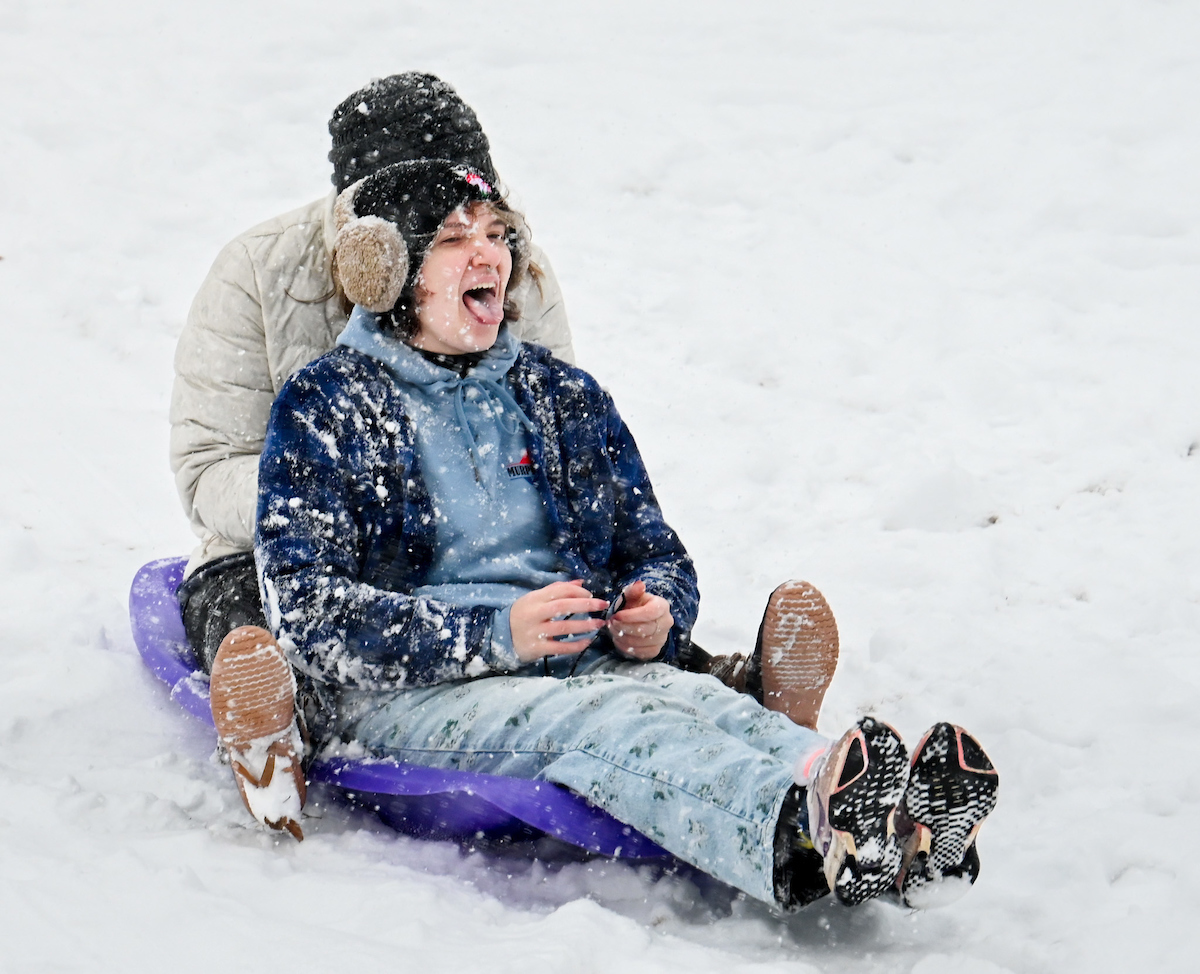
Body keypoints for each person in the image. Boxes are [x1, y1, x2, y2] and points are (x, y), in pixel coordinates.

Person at [210, 159, 999, 912]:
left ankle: (893, 826)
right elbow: (308, 614)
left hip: (587, 663)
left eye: (497, 234)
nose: (488, 254)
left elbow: (655, 551)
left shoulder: (562, 396)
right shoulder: (326, 406)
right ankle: (804, 833)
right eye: (454, 239)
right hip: (414, 695)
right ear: (388, 275)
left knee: (707, 705)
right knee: (620, 727)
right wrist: (494, 634)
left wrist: (657, 613)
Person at [170, 71, 811, 713]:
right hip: (286, 543)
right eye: (443, 228)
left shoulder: (505, 263)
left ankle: (717, 685)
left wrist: (621, 605)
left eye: (486, 222)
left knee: (571, 601)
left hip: (472, 560)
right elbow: (207, 468)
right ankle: (282, 726)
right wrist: (338, 501)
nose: (481, 246)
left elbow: (560, 443)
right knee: (265, 625)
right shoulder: (256, 268)